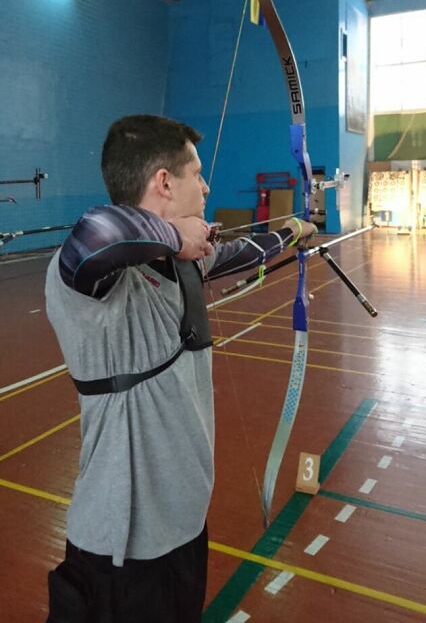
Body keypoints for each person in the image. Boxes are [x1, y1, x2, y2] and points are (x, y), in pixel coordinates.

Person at [45, 114, 316, 623]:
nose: (207, 184)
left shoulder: (183, 263)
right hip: (119, 548)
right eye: (196, 173)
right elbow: (94, 236)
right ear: (164, 182)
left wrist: (292, 229)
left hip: (184, 530)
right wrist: (174, 235)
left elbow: (238, 252)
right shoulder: (89, 276)